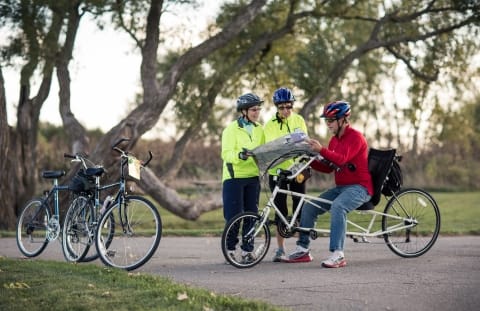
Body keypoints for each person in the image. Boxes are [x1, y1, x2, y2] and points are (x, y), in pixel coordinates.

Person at [286, 100, 373, 268]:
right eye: (326, 120)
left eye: (331, 120)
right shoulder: (334, 141)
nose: (328, 124)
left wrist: (321, 150)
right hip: (341, 188)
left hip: (360, 187)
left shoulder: (355, 137)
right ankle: (302, 249)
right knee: (309, 207)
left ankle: (338, 254)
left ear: (342, 119)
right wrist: (309, 159)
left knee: (338, 207)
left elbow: (341, 159)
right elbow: (329, 168)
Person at [263, 87, 308, 262]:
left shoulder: (299, 119)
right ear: (276, 107)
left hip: (298, 169)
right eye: (282, 107)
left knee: (300, 207)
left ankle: (301, 248)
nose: (286, 111)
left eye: (289, 107)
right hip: (277, 171)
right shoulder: (270, 124)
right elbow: (273, 147)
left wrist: (294, 145)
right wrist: (290, 143)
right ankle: (280, 249)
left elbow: (303, 141)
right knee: (280, 210)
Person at [221, 92, 265, 263]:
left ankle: (248, 251)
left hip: (253, 177)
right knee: (233, 215)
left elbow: (262, 150)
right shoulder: (231, 129)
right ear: (244, 111)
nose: (257, 112)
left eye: (258, 109)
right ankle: (230, 250)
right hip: (234, 177)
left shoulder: (259, 129)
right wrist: (240, 155)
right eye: (254, 109)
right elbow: (226, 153)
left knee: (251, 215)